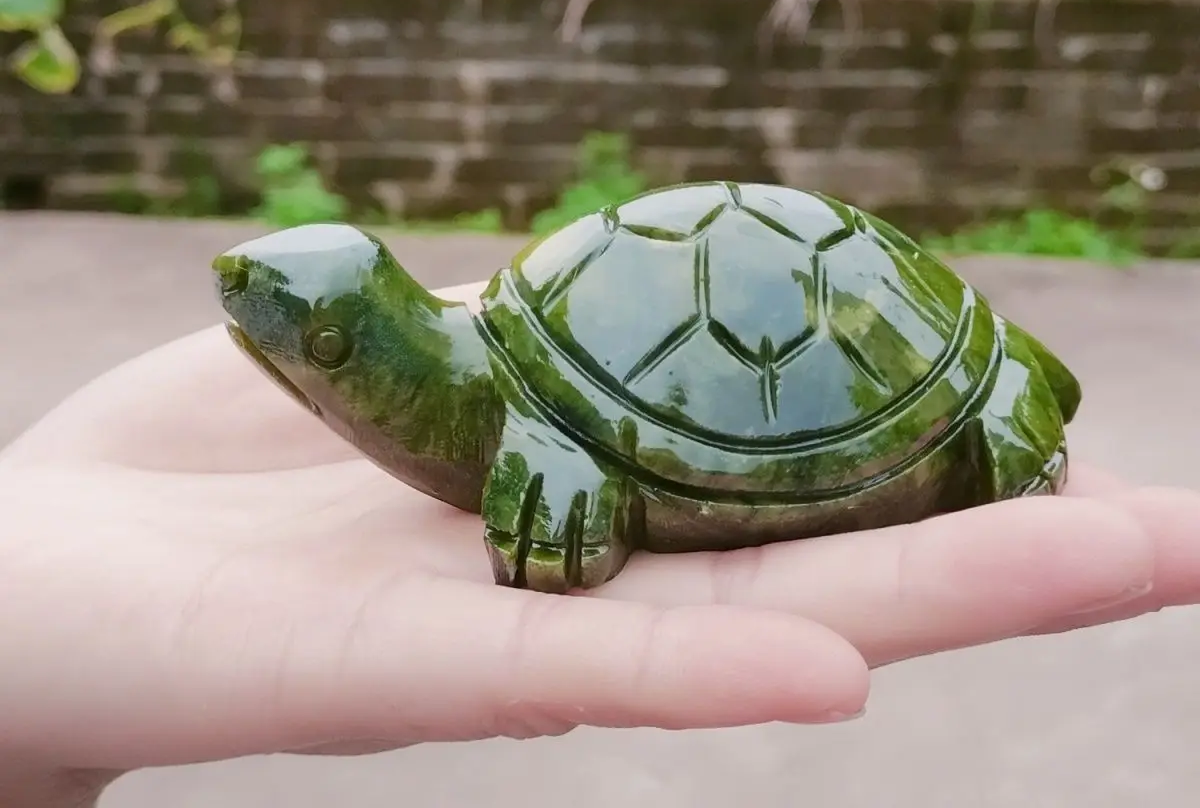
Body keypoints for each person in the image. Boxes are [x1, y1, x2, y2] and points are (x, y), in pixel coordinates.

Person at [2, 280, 1199, 808]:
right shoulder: (494, 383)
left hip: (897, 353)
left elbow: (567, 459)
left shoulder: (533, 429)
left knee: (1020, 477)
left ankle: (984, 393)